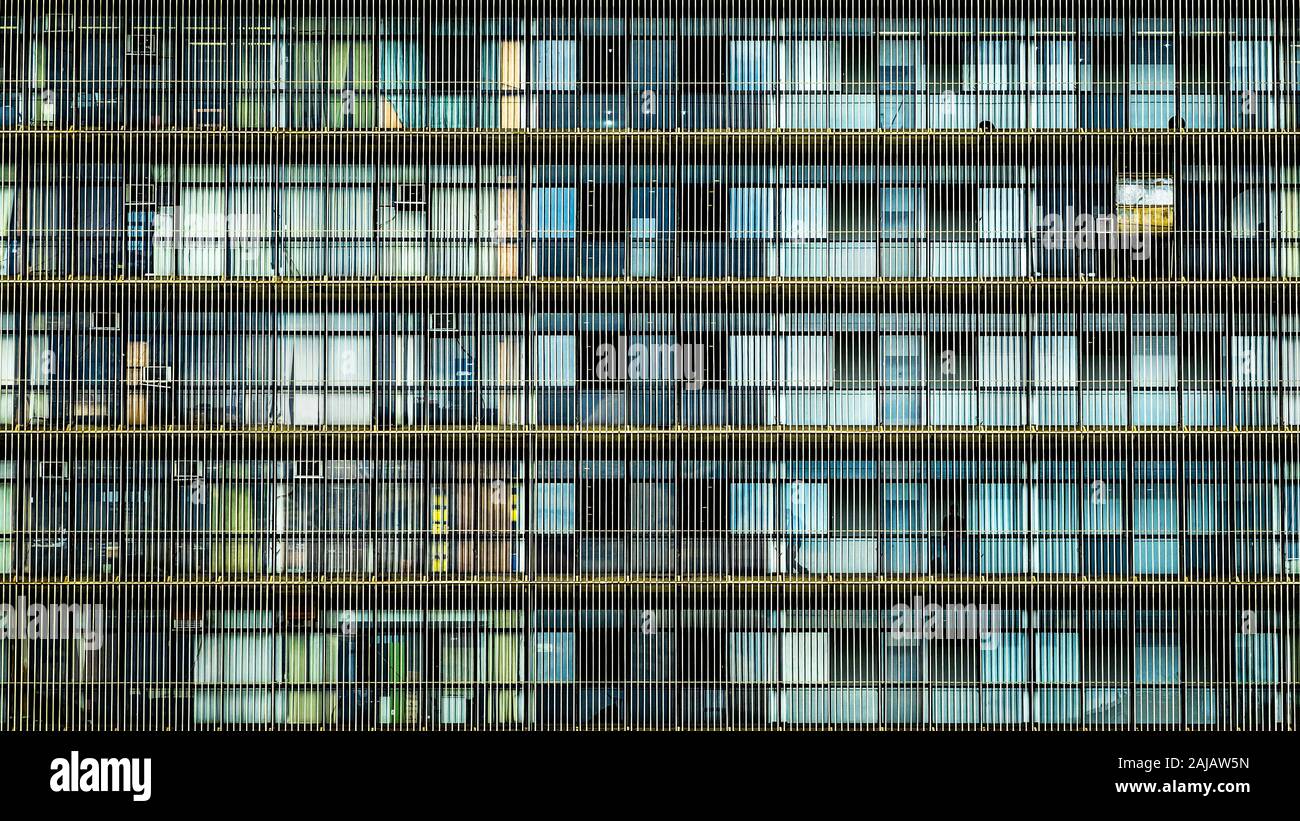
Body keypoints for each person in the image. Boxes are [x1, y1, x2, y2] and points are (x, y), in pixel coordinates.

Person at [940, 503, 967, 577]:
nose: (953, 511)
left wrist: (956, 533)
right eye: (952, 510)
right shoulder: (959, 519)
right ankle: (954, 570)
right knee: (954, 555)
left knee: (954, 555)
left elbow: (944, 529)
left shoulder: (950, 519)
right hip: (953, 539)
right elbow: (944, 529)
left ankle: (953, 570)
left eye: (954, 510)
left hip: (953, 539)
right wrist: (957, 533)